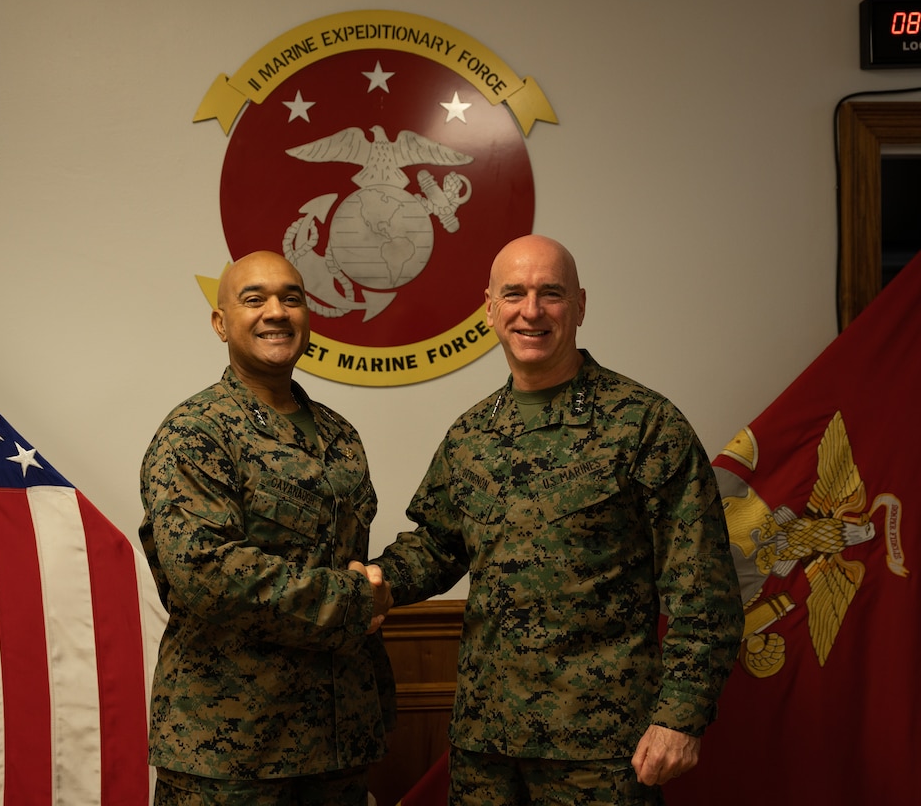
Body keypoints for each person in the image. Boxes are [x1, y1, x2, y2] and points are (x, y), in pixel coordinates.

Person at [370, 235, 743, 805]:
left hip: (601, 748)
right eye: (514, 294)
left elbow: (704, 589)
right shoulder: (471, 435)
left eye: (551, 293)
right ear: (490, 309)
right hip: (486, 744)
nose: (532, 311)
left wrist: (681, 717)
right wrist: (373, 583)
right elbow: (441, 545)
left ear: (580, 306)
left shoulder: (645, 424)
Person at [139, 250, 395, 805]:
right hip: (232, 750)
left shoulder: (339, 435)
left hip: (338, 742)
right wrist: (354, 599)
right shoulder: (196, 433)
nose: (276, 312)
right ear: (220, 322)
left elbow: (350, 555)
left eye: (292, 298)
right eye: (254, 299)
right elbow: (205, 574)